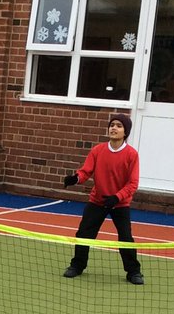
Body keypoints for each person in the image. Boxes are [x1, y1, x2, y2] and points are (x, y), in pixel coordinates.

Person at [61, 113, 143, 285]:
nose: (114, 128)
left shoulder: (131, 155)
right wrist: (75, 179)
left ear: (125, 132)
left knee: (126, 238)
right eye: (112, 125)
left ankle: (134, 272)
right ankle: (77, 265)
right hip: (97, 201)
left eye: (119, 126)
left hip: (119, 204)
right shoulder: (98, 150)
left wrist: (117, 197)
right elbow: (85, 171)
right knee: (84, 233)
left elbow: (133, 183)